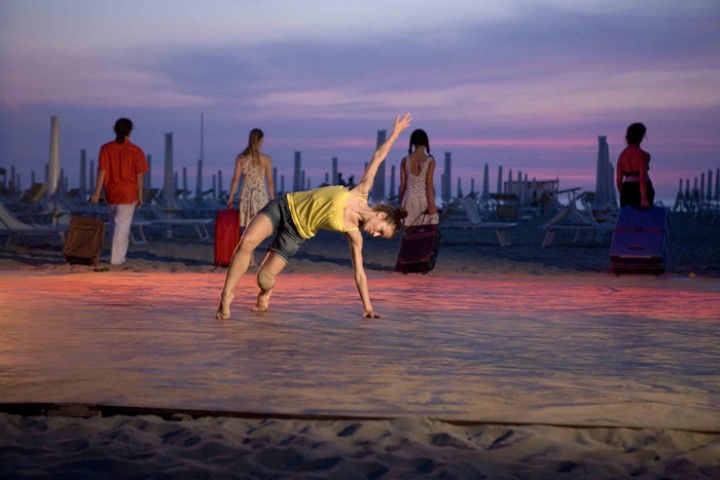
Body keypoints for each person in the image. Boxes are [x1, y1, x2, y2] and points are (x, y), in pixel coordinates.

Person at [216, 113, 412, 320]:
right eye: (381, 230)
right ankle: (226, 296)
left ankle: (265, 294)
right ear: (380, 215)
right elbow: (379, 156)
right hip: (284, 206)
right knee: (246, 241)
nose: (376, 234)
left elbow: (359, 274)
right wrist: (396, 132)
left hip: (295, 234)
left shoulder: (355, 235)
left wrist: (368, 307)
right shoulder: (362, 190)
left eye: (381, 236)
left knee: (263, 279)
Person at [91, 118, 149, 266]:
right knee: (122, 226)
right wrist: (140, 196)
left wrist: (97, 193)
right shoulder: (136, 151)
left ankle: (118, 257)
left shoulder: (106, 148)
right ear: (130, 131)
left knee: (114, 225)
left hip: (111, 192)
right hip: (127, 193)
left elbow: (102, 171)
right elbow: (139, 176)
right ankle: (116, 259)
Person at [226, 128, 275, 265]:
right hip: (260, 194)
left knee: (246, 228)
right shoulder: (266, 159)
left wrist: (230, 198)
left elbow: (235, 180)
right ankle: (250, 258)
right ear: (260, 141)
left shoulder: (241, 158)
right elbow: (270, 181)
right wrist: (272, 199)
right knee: (258, 227)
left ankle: (249, 258)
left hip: (246, 194)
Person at [398, 128, 438, 225]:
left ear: (412, 143)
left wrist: (400, 205)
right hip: (423, 200)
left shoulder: (405, 161)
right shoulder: (430, 161)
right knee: (423, 234)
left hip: (408, 199)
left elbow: (402, 186)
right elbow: (429, 185)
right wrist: (432, 205)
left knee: (409, 234)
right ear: (426, 142)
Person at [616, 122, 655, 208]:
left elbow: (618, 181)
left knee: (629, 219)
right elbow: (642, 178)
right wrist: (644, 199)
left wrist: (623, 196)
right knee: (644, 218)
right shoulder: (643, 155)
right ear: (641, 137)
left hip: (627, 189)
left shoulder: (621, 156)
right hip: (641, 191)